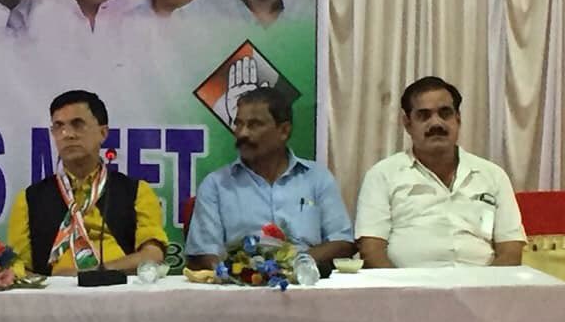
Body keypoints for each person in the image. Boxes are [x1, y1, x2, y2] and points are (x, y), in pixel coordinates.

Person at [356, 76, 525, 268]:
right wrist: (401, 287)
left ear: (458, 119)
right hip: (409, 283)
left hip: (481, 282)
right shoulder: (382, 175)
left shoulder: (493, 175)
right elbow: (371, 250)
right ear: (407, 123)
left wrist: (487, 286)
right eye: (424, 115)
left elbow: (511, 250)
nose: (436, 123)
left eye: (445, 113)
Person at [186, 87, 354, 270]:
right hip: (241, 283)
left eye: (254, 125)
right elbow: (203, 255)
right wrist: (247, 274)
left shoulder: (317, 178)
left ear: (284, 131)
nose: (242, 133)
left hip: (306, 279)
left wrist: (289, 266)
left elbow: (342, 243)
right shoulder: (216, 185)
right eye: (239, 124)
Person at [7, 90, 168, 276]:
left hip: (119, 288)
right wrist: (53, 286)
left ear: (103, 133)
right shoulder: (29, 200)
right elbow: (16, 267)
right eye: (59, 126)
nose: (67, 134)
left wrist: (93, 275)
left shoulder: (136, 192)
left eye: (78, 124)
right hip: (55, 292)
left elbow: (153, 255)